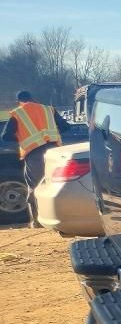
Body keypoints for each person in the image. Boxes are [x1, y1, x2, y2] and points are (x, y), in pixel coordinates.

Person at [1, 90, 71, 227]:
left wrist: (22, 136)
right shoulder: (48, 110)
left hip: (34, 154)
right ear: (33, 98)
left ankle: (37, 222)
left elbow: (6, 137)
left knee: (36, 186)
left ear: (19, 101)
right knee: (56, 184)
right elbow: (65, 127)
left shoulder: (18, 113)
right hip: (54, 152)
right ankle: (62, 217)